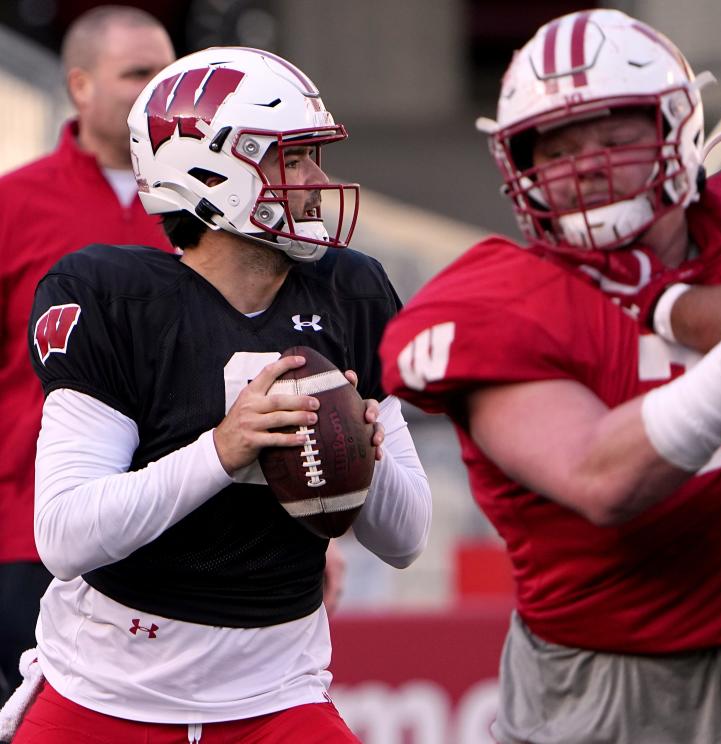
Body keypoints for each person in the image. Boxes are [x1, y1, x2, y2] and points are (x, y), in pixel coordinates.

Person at [378, 9, 721, 744]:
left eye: (615, 136)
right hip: (613, 695)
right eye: (560, 147)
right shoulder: (495, 300)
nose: (586, 166)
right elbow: (600, 477)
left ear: (679, 127)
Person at [7, 46, 431, 743]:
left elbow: (407, 539)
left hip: (275, 689)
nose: (318, 178)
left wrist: (365, 454)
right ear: (210, 167)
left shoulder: (350, 292)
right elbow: (65, 535)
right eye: (293, 158)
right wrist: (223, 450)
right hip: (106, 690)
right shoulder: (115, 296)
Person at [0, 6, 175, 705]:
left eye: (169, 74)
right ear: (78, 85)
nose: (159, 91)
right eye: (138, 74)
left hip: (185, 532)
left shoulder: (214, 209)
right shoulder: (14, 206)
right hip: (33, 535)